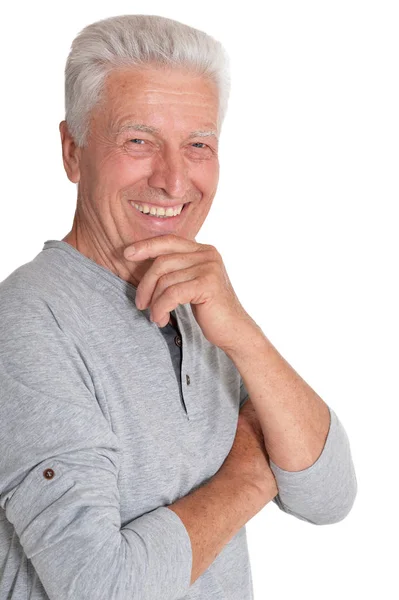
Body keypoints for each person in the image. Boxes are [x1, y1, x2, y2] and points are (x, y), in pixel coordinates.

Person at [0, 14, 357, 600]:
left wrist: (242, 334)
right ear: (72, 151)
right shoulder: (28, 324)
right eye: (138, 141)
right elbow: (101, 586)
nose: (172, 180)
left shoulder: (200, 305)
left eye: (198, 145)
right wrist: (247, 477)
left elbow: (329, 496)